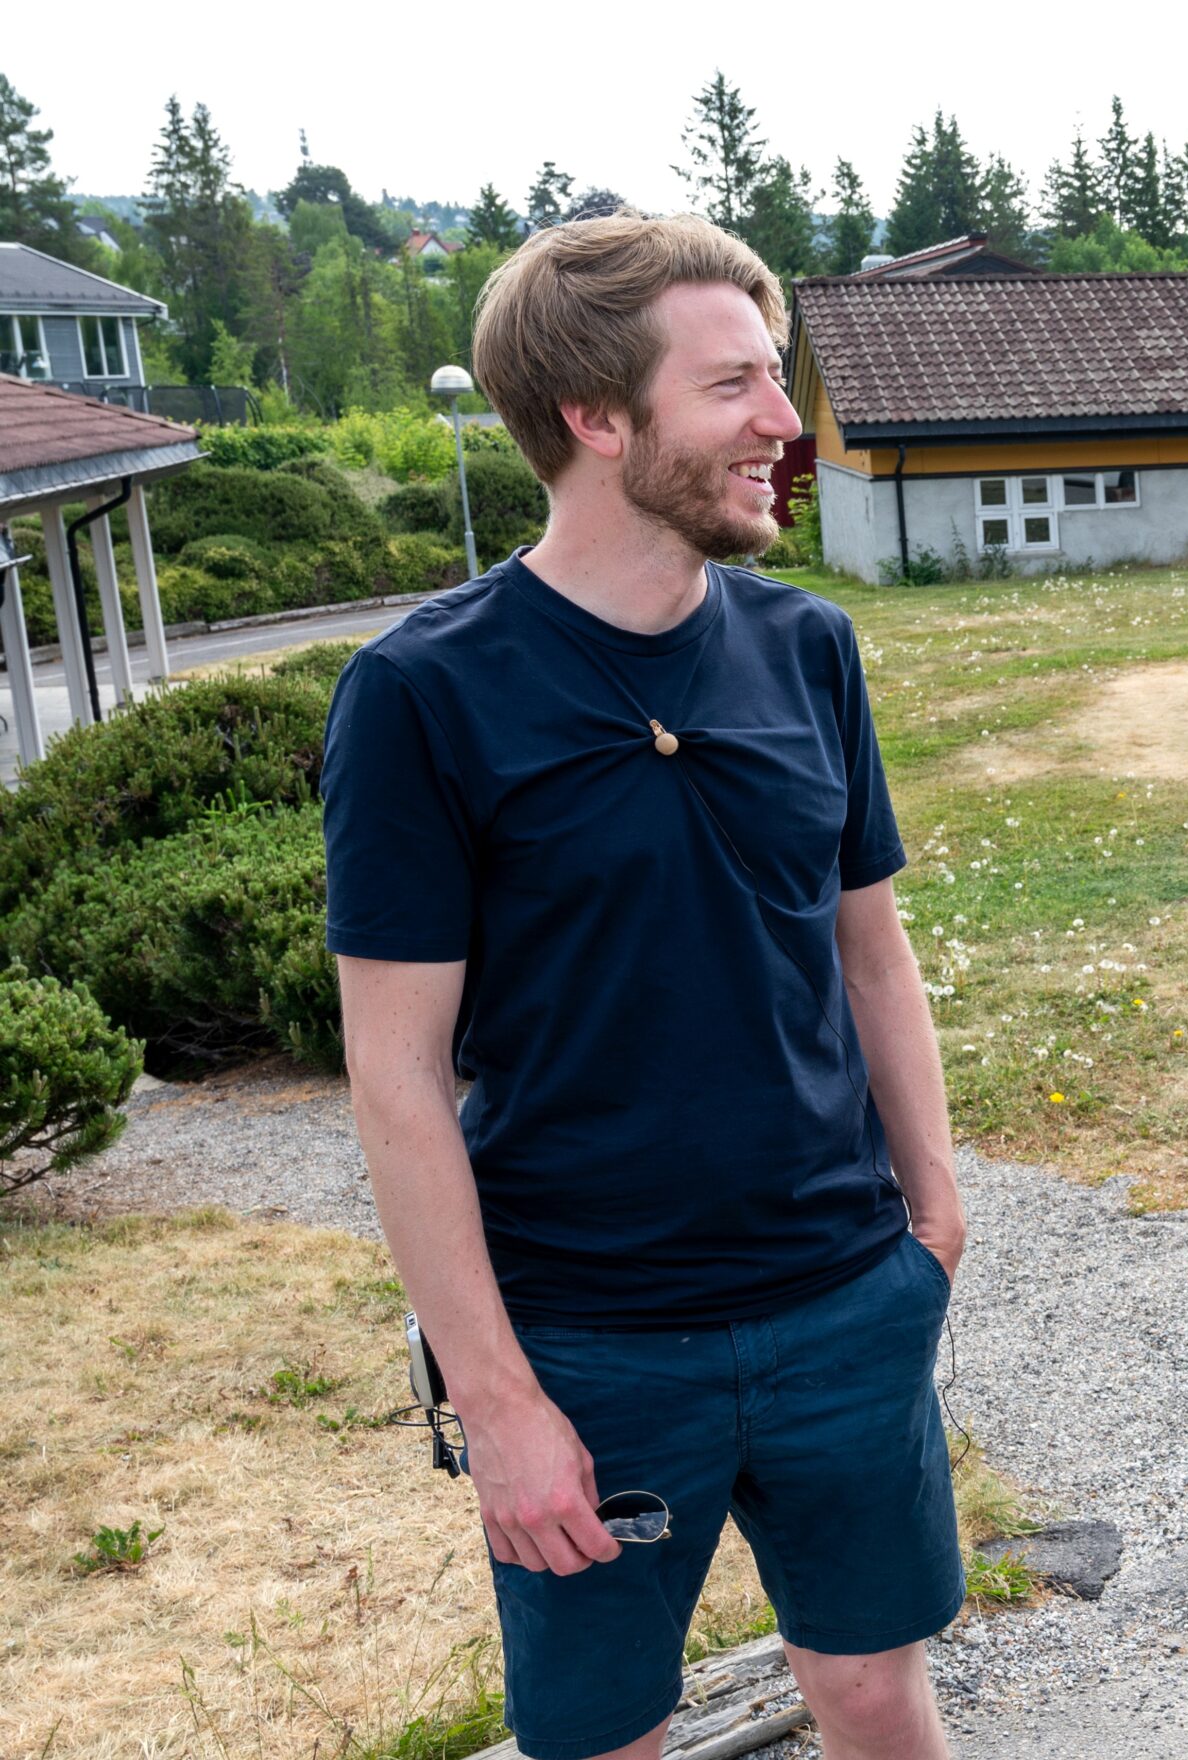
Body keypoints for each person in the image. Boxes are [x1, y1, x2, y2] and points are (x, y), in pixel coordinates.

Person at [324, 212, 965, 1760]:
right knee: (608, 1737)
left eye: (776, 379)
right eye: (734, 385)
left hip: (841, 1303)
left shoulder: (811, 647)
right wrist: (498, 1403)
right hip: (588, 1350)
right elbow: (397, 1077)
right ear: (595, 420)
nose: (785, 425)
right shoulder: (422, 695)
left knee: (876, 1686)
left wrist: (930, 1227)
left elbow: (867, 949)